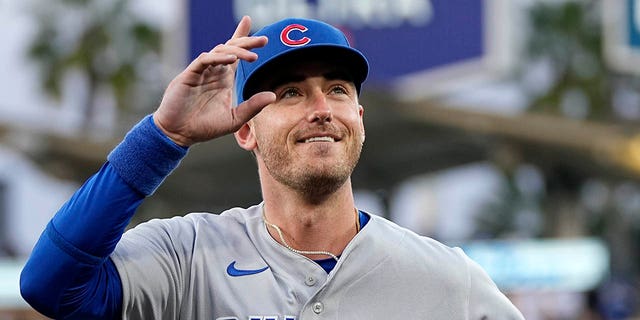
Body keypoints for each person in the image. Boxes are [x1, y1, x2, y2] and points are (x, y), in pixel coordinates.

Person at [20, 16, 524, 319]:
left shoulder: (445, 278)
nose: (321, 107)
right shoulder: (188, 255)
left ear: (359, 121)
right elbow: (50, 284)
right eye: (289, 93)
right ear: (246, 130)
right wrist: (163, 138)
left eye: (338, 90)